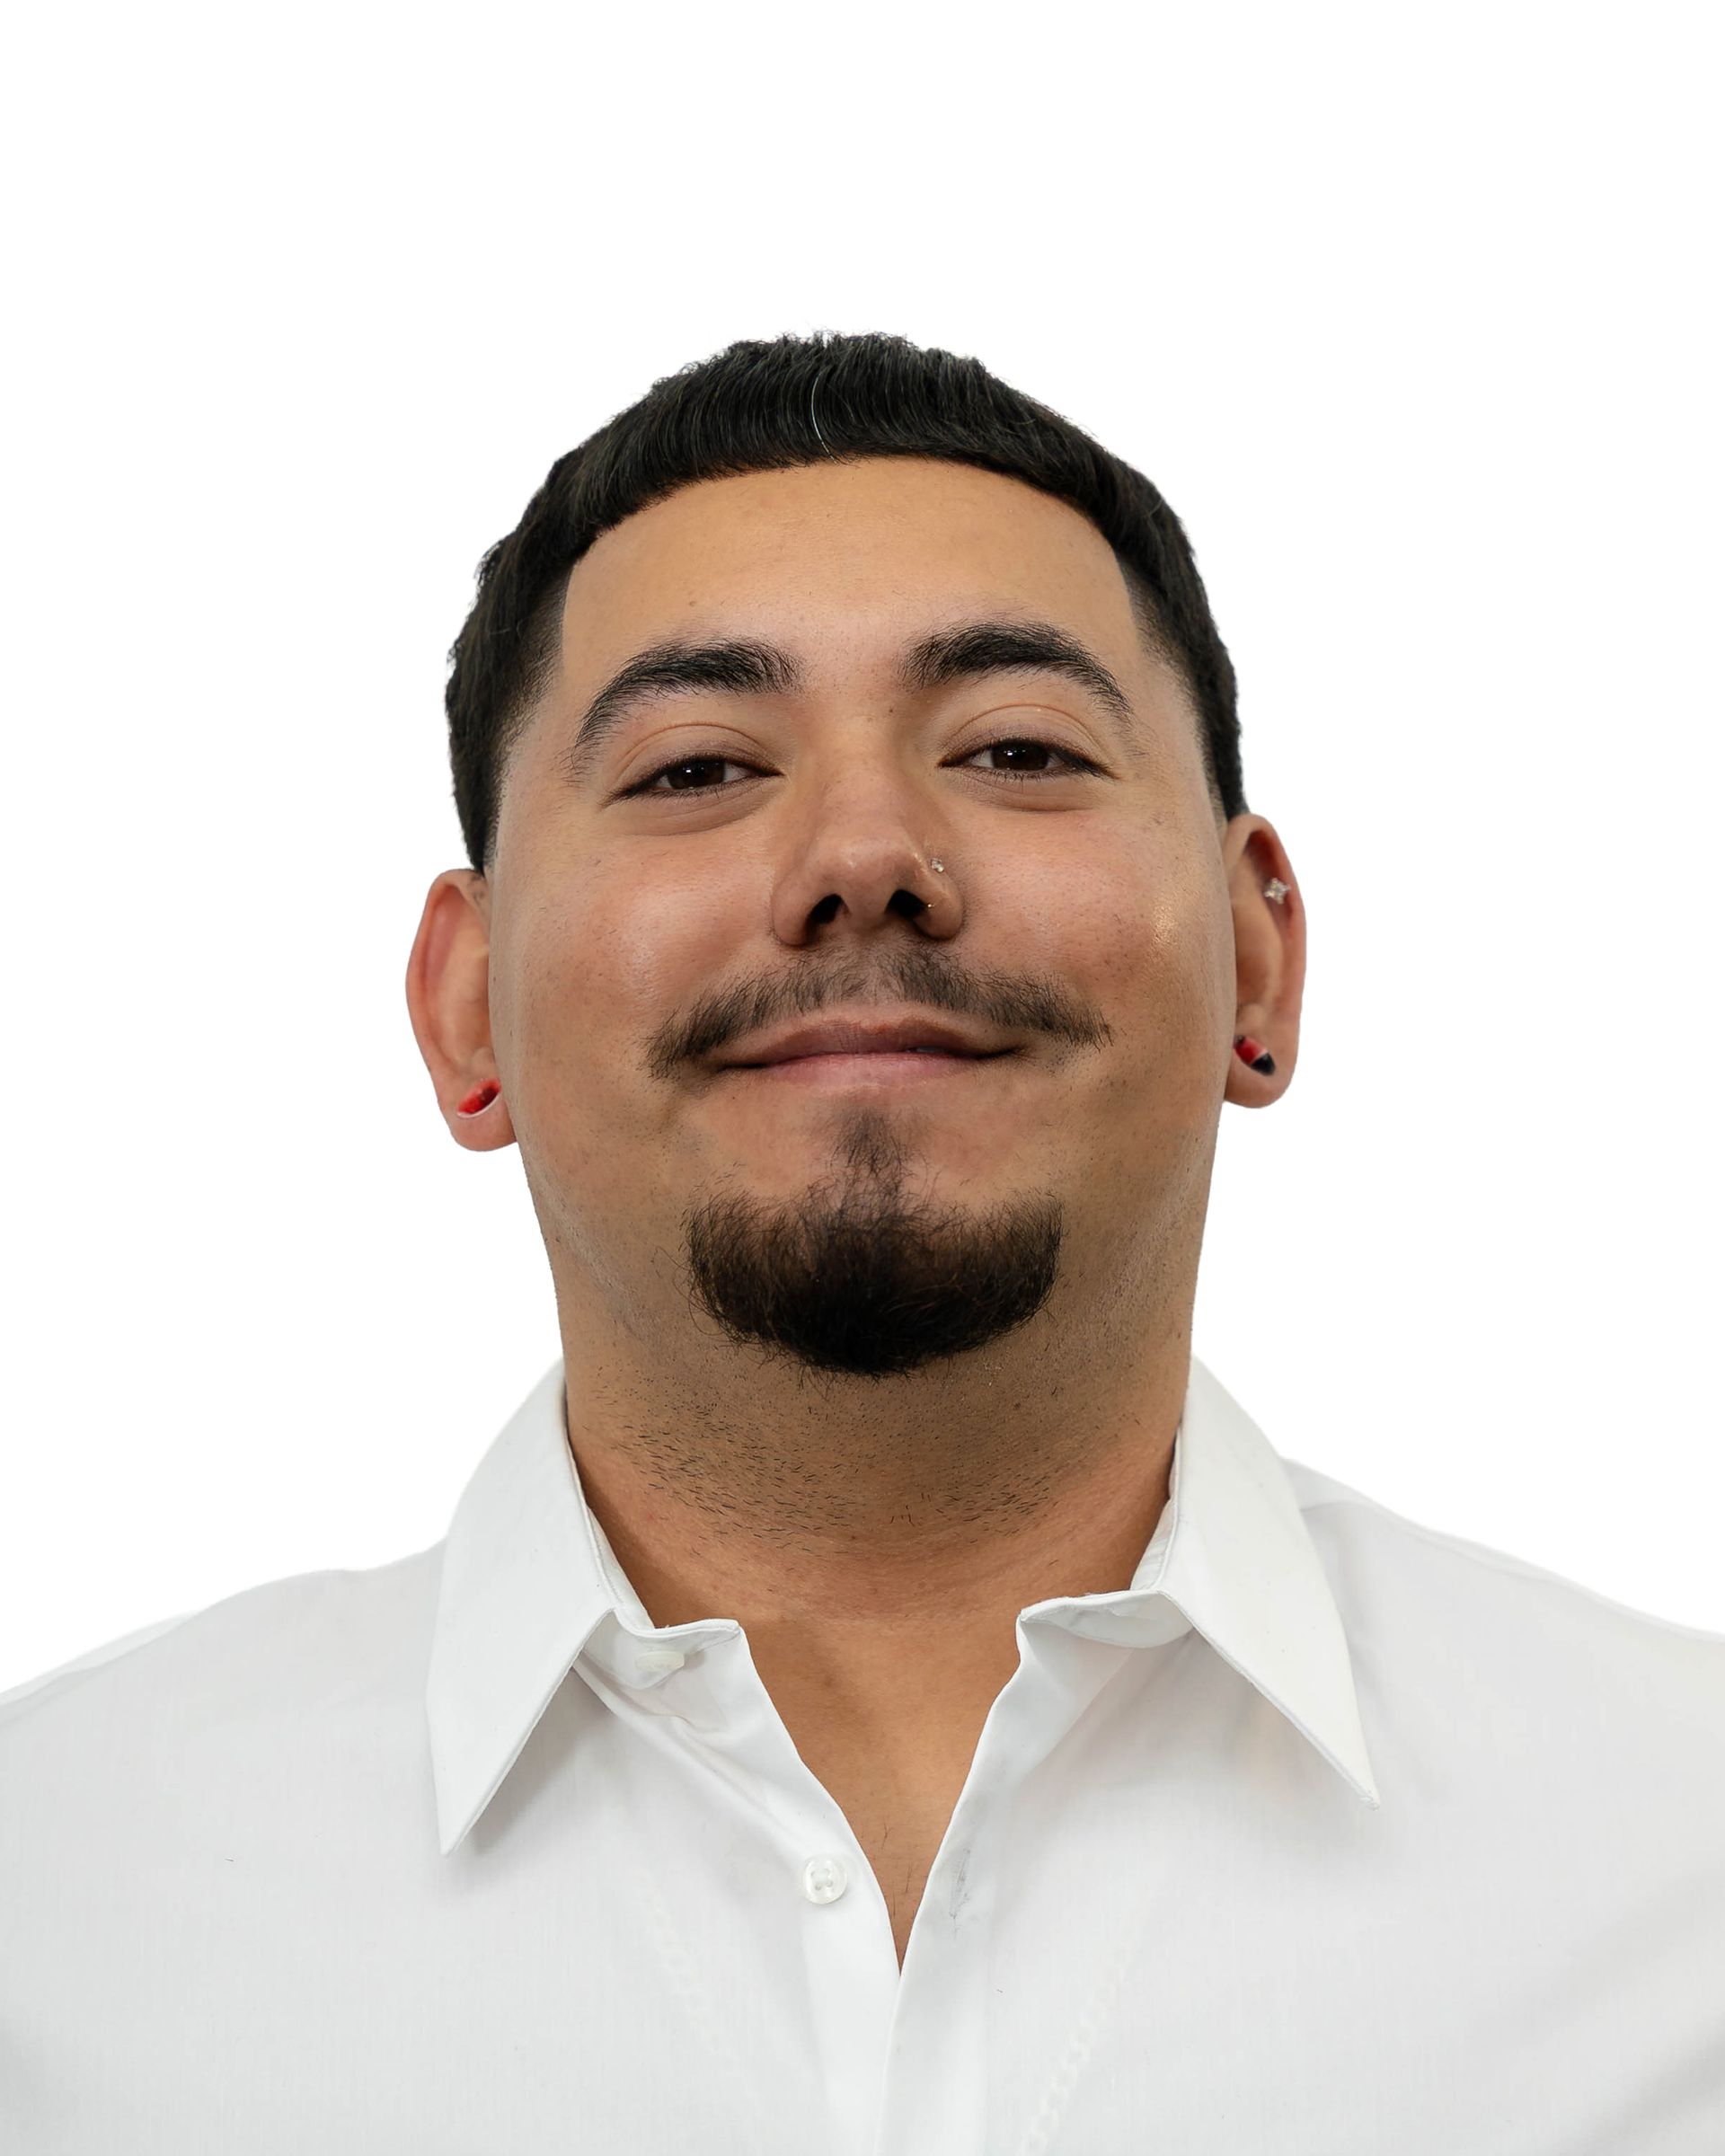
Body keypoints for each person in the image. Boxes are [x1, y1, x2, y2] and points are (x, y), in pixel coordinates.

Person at [4, 332, 1721, 2152]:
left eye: (1016, 746)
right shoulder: (55, 1901)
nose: (867, 852)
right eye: (691, 770)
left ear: (1259, 958)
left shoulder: (1682, 1858)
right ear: (465, 1004)